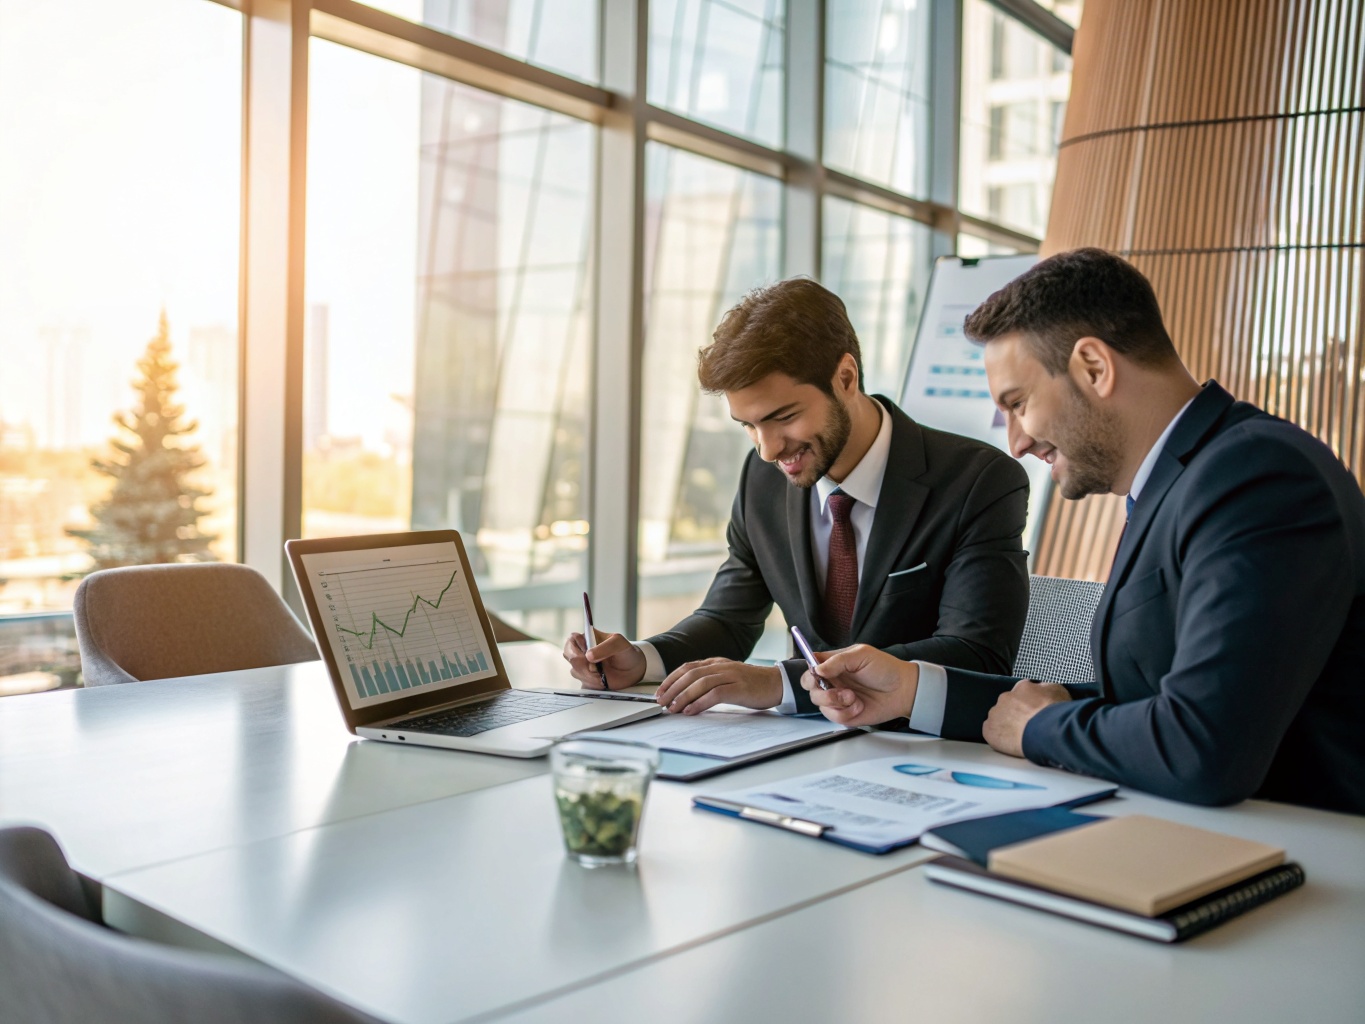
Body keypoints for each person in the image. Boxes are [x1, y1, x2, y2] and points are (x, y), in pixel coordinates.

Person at [803, 248, 1365, 814]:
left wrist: (1043, 728)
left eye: (1018, 404)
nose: (1016, 442)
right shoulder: (1189, 478)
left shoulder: (1257, 478)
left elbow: (1203, 746)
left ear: (1094, 367)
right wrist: (913, 690)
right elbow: (1147, 704)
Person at [563, 277, 1031, 718]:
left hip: (928, 751)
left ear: (845, 377)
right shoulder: (762, 479)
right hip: (805, 748)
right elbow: (729, 619)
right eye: (748, 426)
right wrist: (642, 660)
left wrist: (780, 682)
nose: (767, 450)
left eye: (782, 416)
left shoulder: (978, 481)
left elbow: (976, 655)